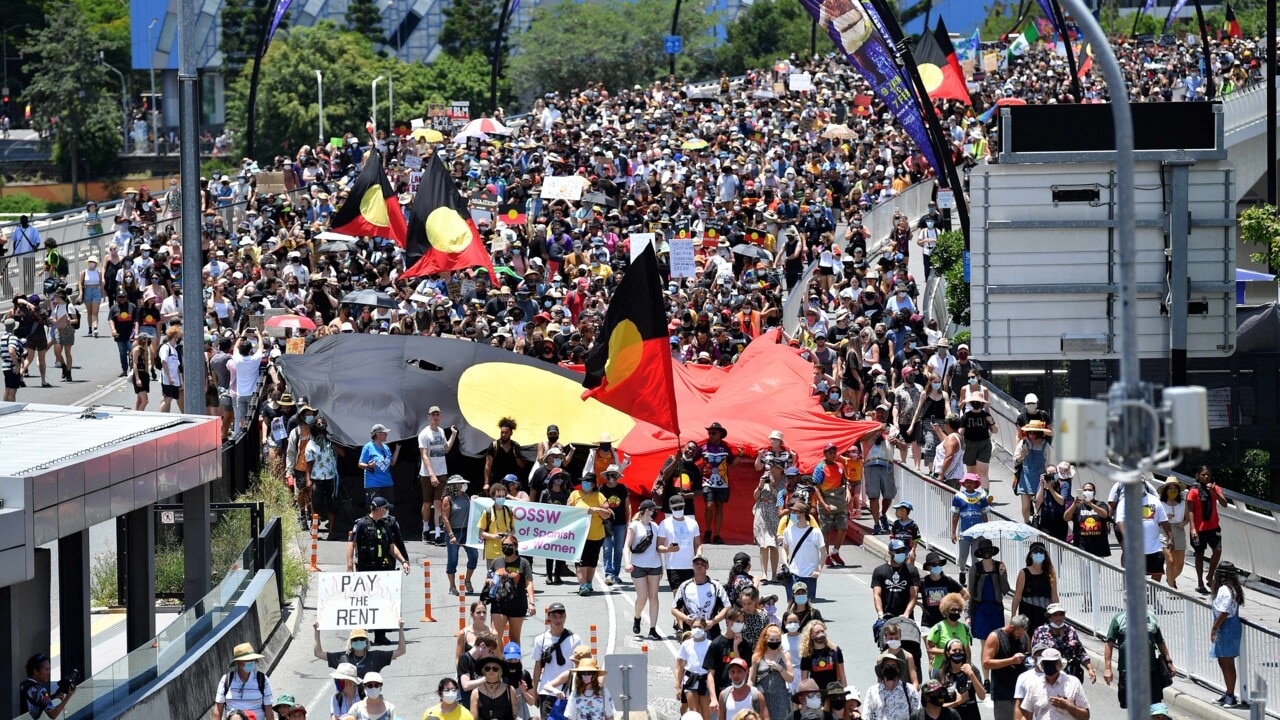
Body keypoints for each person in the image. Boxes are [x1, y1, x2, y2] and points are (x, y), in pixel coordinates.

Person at [346, 497, 410, 643]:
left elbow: (391, 546)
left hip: (382, 569)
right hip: (365, 570)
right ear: (380, 509)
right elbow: (351, 545)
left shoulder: (384, 524)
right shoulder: (361, 524)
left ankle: (380, 636)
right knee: (364, 604)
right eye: (385, 508)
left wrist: (404, 561)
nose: (387, 511)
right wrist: (349, 567)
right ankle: (360, 636)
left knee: (382, 603)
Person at [1103, 609, 1175, 709]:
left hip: (1151, 671)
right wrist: (1107, 668)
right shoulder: (1119, 618)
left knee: (1155, 706)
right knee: (1131, 706)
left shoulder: (1151, 616)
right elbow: (1109, 643)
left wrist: (1169, 662)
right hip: (1128, 671)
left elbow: (1160, 641)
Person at [532, 603, 583, 719]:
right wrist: (535, 691)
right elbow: (537, 666)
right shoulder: (541, 640)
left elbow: (580, 666)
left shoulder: (575, 639)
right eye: (554, 616)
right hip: (547, 692)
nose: (558, 620)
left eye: (561, 616)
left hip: (568, 694)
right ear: (549, 617)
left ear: (565, 617)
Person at [625, 499, 665, 639]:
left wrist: (662, 565)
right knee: (642, 597)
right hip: (638, 565)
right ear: (647, 511)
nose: (655, 512)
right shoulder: (634, 526)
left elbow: (657, 547)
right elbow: (626, 546)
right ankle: (637, 617)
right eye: (653, 510)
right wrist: (627, 563)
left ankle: (653, 629)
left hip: (654, 565)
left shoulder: (655, 526)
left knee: (654, 597)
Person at [1116, 482, 1172, 582]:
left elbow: (1164, 520)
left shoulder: (1155, 500)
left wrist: (1170, 538)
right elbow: (1120, 521)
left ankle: (1152, 595)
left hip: (1155, 547)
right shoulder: (1124, 501)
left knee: (1157, 573)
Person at [419, 405, 457, 543]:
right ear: (429, 417)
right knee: (427, 504)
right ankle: (425, 528)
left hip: (441, 471)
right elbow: (424, 456)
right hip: (427, 474)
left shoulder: (441, 431)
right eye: (433, 415)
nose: (435, 417)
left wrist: (453, 434)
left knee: (438, 503)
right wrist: (431, 475)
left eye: (437, 414)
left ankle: (437, 533)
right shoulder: (424, 434)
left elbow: (446, 449)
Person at [488, 532, 536, 646]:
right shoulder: (496, 562)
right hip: (499, 604)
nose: (507, 548)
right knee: (495, 636)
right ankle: (499, 662)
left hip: (517, 604)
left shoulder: (523, 563)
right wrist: (489, 581)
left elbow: (529, 583)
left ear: (516, 547)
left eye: (510, 545)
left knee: (514, 638)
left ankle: (514, 662)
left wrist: (532, 602)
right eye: (504, 545)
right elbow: (489, 577)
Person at [570, 473, 613, 595]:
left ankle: (589, 583)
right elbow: (567, 511)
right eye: (584, 481)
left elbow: (607, 514)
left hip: (596, 535)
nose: (585, 484)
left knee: (592, 562)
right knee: (581, 561)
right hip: (580, 536)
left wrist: (597, 510)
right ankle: (582, 585)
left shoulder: (599, 496)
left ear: (593, 485)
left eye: (588, 482)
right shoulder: (574, 494)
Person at [1029, 604, 1095, 684]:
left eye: (1061, 614)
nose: (1058, 617)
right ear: (1049, 617)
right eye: (1055, 615)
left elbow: (1080, 652)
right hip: (1048, 674)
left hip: (1069, 675)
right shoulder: (1040, 631)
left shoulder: (1070, 630)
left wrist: (1090, 669)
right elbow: (1035, 655)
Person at [1186, 466, 1227, 594]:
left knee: (1217, 550)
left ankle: (1210, 575)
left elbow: (1224, 503)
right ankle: (1200, 582)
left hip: (1213, 527)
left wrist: (1215, 492)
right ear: (1198, 475)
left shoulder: (1215, 488)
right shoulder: (1193, 491)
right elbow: (1190, 510)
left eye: (1208, 475)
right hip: (1198, 529)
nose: (1206, 477)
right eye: (1203, 475)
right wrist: (1192, 528)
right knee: (1199, 554)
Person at [1209, 562, 1244, 707]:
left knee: (1227, 663)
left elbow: (1224, 612)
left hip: (1227, 627)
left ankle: (1231, 696)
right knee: (1223, 661)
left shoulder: (1225, 590)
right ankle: (1228, 692)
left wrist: (1214, 629)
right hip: (1230, 627)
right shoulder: (1231, 588)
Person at [810, 443, 851, 566]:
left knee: (843, 528)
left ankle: (835, 552)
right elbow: (815, 488)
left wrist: (848, 492)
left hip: (839, 502)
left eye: (834, 452)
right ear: (825, 454)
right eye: (830, 453)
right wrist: (822, 504)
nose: (833, 455)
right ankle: (825, 554)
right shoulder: (820, 468)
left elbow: (845, 482)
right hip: (826, 501)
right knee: (825, 530)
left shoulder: (840, 466)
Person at [1018, 648, 1089, 720]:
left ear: (1059, 664)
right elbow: (1026, 716)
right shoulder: (1034, 685)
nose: (1049, 665)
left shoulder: (1073, 683)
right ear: (1042, 664)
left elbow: (1086, 716)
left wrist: (1068, 706)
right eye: (1046, 662)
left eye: (1053, 662)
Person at [981, 615, 1029, 720]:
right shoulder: (995, 637)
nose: (1021, 636)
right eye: (1019, 634)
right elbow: (986, 663)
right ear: (1011, 627)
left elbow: (1029, 655)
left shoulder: (1024, 636)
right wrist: (1011, 661)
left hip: (1022, 691)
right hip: (1003, 692)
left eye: (1023, 634)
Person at [674, 553, 732, 638]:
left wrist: (713, 622)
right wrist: (686, 619)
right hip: (690, 630)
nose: (699, 566)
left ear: (707, 567)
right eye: (696, 563)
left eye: (702, 564)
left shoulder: (716, 586)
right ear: (692, 566)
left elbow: (727, 607)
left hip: (711, 630)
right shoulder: (684, 586)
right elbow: (674, 609)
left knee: (711, 651)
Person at [313, 623, 406, 675]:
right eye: (355, 639)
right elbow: (318, 653)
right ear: (350, 642)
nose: (358, 641)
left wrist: (401, 629)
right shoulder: (343, 658)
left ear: (366, 642)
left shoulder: (376, 656)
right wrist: (317, 632)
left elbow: (401, 651)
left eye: (361, 639)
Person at [213, 643, 275, 720]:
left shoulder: (262, 679)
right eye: (246, 660)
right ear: (238, 662)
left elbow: (269, 709)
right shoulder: (226, 680)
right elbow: (218, 711)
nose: (251, 662)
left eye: (252, 659)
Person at [871, 540, 919, 637]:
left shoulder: (912, 570)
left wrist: (906, 614)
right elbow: (877, 595)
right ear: (890, 552)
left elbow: (913, 595)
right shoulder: (879, 571)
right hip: (887, 618)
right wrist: (880, 614)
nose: (901, 554)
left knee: (911, 648)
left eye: (903, 551)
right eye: (898, 551)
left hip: (906, 619)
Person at [1010, 541, 1058, 636]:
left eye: (1041, 552)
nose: (1038, 554)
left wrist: (1057, 615)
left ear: (1045, 555)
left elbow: (1054, 597)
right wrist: (1013, 616)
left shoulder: (1050, 574)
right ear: (1030, 555)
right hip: (1028, 614)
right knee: (1028, 642)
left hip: (1044, 614)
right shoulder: (1024, 573)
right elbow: (1017, 597)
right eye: (1035, 552)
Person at [660, 494, 703, 595]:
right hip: (673, 566)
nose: (678, 510)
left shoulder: (693, 523)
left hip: (690, 565)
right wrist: (668, 549)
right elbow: (659, 546)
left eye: (680, 507)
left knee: (690, 596)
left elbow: (698, 544)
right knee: (678, 597)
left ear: (684, 506)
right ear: (670, 508)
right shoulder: (664, 524)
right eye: (675, 508)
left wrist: (699, 556)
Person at [782, 502, 826, 602]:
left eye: (794, 512)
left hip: (810, 575)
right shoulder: (788, 531)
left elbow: (824, 553)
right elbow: (784, 548)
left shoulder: (816, 532)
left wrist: (818, 570)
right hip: (793, 574)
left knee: (807, 604)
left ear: (802, 514)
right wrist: (785, 563)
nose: (791, 514)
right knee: (792, 604)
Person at [443, 475, 480, 595]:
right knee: (453, 559)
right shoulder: (447, 499)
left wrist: (475, 500)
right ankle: (452, 586)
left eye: (462, 483)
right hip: (454, 531)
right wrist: (451, 535)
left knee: (474, 556)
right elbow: (445, 518)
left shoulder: (465, 496)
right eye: (459, 484)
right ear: (453, 486)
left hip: (466, 531)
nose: (462, 486)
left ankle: (467, 580)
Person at [700, 422, 736, 544]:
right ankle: (708, 530)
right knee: (709, 505)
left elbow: (732, 462)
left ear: (720, 434)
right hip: (706, 482)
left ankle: (717, 535)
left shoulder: (726, 448)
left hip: (722, 483)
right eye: (709, 433)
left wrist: (740, 455)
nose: (711, 435)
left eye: (713, 433)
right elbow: (691, 458)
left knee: (719, 507)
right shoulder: (703, 447)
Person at [750, 624, 795, 720]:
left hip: (780, 697)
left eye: (777, 640)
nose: (774, 642)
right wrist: (749, 694)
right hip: (762, 696)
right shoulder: (757, 656)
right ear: (766, 640)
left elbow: (790, 678)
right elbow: (751, 678)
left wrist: (780, 668)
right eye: (772, 640)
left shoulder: (785, 655)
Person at [931, 639, 984, 720]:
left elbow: (982, 696)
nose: (957, 652)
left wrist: (971, 675)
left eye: (960, 650)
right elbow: (936, 705)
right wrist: (957, 703)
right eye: (954, 650)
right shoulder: (941, 675)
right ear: (948, 653)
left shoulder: (972, 670)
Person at [949, 475, 989, 579]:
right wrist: (953, 532)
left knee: (976, 558)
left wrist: (986, 531)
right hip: (964, 533)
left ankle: (974, 577)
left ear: (976, 484)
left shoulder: (982, 497)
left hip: (978, 533)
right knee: (962, 556)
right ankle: (962, 571)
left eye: (971, 482)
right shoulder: (958, 497)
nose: (969, 484)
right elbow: (955, 515)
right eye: (967, 482)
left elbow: (985, 515)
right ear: (963, 484)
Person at [862, 653, 921, 720]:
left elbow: (918, 714)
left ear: (898, 669)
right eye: (887, 666)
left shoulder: (909, 690)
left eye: (893, 666)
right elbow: (866, 716)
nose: (890, 668)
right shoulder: (872, 691)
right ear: (882, 670)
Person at [677, 616, 715, 720]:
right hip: (690, 680)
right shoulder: (686, 644)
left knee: (706, 713)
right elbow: (681, 666)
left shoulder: (710, 645)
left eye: (700, 627)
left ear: (705, 628)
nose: (697, 629)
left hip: (705, 681)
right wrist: (678, 686)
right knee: (694, 713)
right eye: (694, 627)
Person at [1013, 421, 1052, 524]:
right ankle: (1026, 521)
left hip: (1040, 478)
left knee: (1038, 504)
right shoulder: (1023, 443)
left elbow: (1049, 464)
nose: (1032, 435)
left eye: (1035, 433)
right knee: (1025, 506)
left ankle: (1038, 522)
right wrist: (1021, 456)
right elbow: (1015, 460)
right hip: (1025, 477)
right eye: (1030, 432)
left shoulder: (1045, 445)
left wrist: (1048, 475)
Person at [599, 464, 631, 586]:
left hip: (621, 522)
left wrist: (629, 520)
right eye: (610, 474)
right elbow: (600, 503)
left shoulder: (623, 488)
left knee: (618, 550)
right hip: (606, 522)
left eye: (614, 474)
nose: (611, 476)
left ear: (618, 476)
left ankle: (615, 575)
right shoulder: (602, 488)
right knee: (607, 549)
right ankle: (608, 574)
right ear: (606, 475)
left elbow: (627, 504)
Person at [19, 653, 77, 719]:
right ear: (35, 671)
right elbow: (53, 714)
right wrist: (68, 696)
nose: (49, 673)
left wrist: (52, 697)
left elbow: (39, 700)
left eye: (49, 669)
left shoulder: (23, 685)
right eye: (46, 670)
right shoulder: (41, 690)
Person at [924, 593, 972, 672]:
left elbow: (967, 649)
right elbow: (930, 649)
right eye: (953, 610)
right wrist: (947, 652)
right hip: (940, 669)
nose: (956, 612)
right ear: (946, 611)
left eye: (959, 610)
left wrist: (968, 664)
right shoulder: (938, 628)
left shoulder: (964, 628)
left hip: (960, 669)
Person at [918, 552, 967, 629]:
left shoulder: (948, 581)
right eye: (934, 565)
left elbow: (966, 594)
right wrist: (919, 604)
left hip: (946, 622)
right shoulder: (923, 582)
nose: (937, 566)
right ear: (928, 567)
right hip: (927, 623)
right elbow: (909, 595)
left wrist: (956, 605)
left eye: (939, 564)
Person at [1157, 480, 1189, 590]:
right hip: (1165, 530)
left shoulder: (1183, 503)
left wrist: (1184, 523)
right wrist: (1165, 518)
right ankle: (1171, 588)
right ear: (1166, 490)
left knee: (1179, 565)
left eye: (1175, 488)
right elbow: (1155, 519)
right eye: (1170, 488)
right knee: (1170, 561)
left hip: (1179, 531)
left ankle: (1170, 579)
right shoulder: (1160, 504)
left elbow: (1187, 518)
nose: (1173, 491)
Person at [1065, 482, 1110, 558]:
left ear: (1094, 492)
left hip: (1098, 544)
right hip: (1082, 543)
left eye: (1090, 490)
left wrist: (1091, 505)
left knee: (1096, 568)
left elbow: (1104, 514)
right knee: (1084, 568)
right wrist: (1074, 504)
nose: (1087, 492)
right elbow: (1066, 518)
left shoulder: (1101, 504)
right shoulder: (1078, 505)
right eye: (1085, 490)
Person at [359, 424, 399, 506]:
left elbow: (392, 463)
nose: (386, 435)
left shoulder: (386, 447)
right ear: (378, 434)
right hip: (373, 484)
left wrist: (397, 449)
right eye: (384, 433)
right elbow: (360, 464)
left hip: (387, 483)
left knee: (388, 509)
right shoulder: (368, 447)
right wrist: (368, 466)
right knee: (376, 510)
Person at [484, 417, 527, 492]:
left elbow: (522, 466)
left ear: (511, 433)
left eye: (506, 433)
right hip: (496, 481)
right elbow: (488, 465)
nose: (503, 435)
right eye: (502, 432)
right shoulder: (494, 446)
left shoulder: (515, 446)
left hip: (511, 483)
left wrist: (516, 455)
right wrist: (486, 483)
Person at [799, 621, 845, 690]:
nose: (821, 634)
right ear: (811, 635)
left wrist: (845, 693)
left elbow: (842, 675)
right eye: (817, 632)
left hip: (834, 692)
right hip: (817, 693)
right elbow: (804, 680)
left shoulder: (835, 650)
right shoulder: (807, 655)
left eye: (822, 631)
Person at [157, 325, 183, 412]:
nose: (179, 338)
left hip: (174, 379)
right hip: (167, 378)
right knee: (167, 398)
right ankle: (161, 417)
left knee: (169, 398)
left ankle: (166, 415)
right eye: (178, 336)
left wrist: (179, 381)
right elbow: (164, 362)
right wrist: (169, 377)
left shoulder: (174, 349)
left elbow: (177, 367)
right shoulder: (165, 347)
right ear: (174, 336)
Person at [1, 318, 22, 402]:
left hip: (5, 366)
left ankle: (5, 407)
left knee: (7, 388)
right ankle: (12, 407)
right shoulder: (13, 338)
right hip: (12, 366)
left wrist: (5, 359)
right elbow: (11, 350)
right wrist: (17, 365)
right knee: (13, 390)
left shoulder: (3, 337)